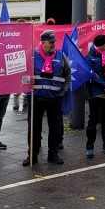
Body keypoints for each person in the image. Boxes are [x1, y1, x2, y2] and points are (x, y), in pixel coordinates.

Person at [25, 30, 71, 166]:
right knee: (33, 128)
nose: (53, 45)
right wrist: (29, 80)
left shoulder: (61, 55)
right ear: (42, 43)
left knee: (55, 128)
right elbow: (23, 74)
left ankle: (53, 154)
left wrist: (62, 92)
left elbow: (68, 75)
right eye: (50, 43)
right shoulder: (32, 56)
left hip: (55, 99)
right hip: (36, 99)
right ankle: (32, 155)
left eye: (54, 42)